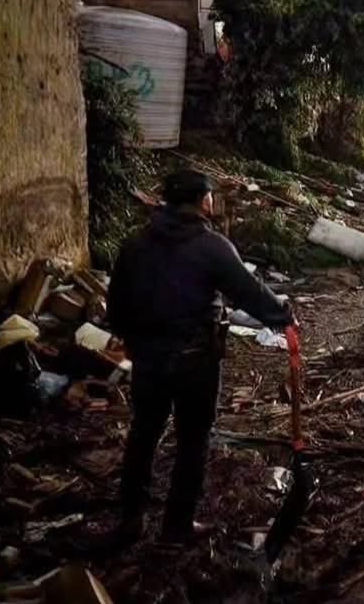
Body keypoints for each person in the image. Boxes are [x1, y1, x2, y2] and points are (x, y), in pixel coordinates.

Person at [107, 169, 291, 543]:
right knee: (192, 441)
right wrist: (282, 314)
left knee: (143, 435)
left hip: (149, 361)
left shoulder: (135, 244)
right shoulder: (211, 246)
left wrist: (136, 343)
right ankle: (177, 526)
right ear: (203, 200)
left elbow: (116, 307)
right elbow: (247, 291)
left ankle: (131, 520)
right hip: (196, 361)